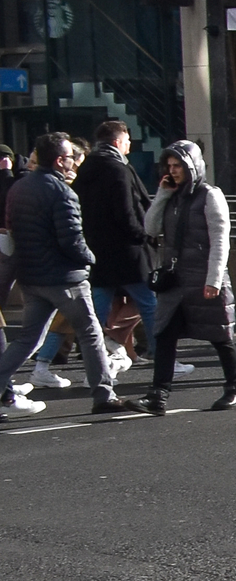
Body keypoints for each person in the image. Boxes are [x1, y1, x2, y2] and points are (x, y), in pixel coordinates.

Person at [0, 133, 144, 416]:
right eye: (69, 159)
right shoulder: (62, 192)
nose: (73, 164)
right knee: (90, 333)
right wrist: (90, 259)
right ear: (58, 160)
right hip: (64, 278)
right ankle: (104, 394)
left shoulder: (20, 188)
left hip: (31, 276)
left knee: (27, 338)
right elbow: (71, 240)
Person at [138, 141, 236, 413]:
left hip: (203, 276)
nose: (173, 171)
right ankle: (158, 395)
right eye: (169, 166)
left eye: (178, 166)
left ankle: (235, 388)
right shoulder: (171, 195)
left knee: (219, 334)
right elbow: (150, 227)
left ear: (192, 166)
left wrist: (214, 280)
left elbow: (220, 240)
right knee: (164, 335)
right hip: (175, 280)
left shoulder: (210, 195)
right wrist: (161, 195)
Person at [73, 120, 154, 386]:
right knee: (149, 301)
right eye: (127, 139)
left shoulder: (87, 167)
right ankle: (162, 354)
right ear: (118, 141)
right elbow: (126, 210)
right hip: (126, 249)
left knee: (96, 307)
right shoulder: (118, 168)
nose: (130, 144)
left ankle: (94, 365)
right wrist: (142, 235)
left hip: (96, 247)